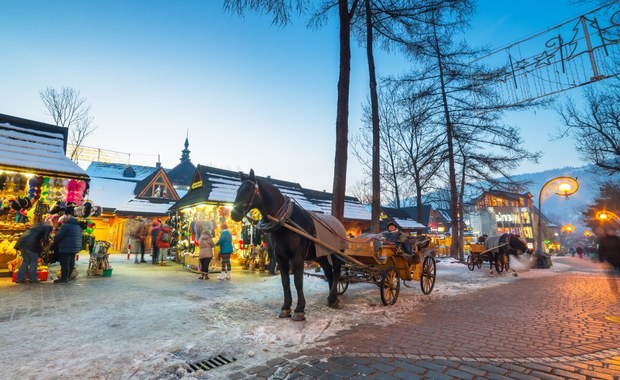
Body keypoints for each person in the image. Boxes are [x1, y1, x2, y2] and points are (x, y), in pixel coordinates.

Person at [52, 210, 83, 284]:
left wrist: (55, 242)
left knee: (65, 263)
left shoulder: (66, 226)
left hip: (66, 247)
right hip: (75, 247)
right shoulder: (78, 226)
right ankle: (68, 277)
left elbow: (59, 236)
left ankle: (64, 279)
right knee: (71, 262)